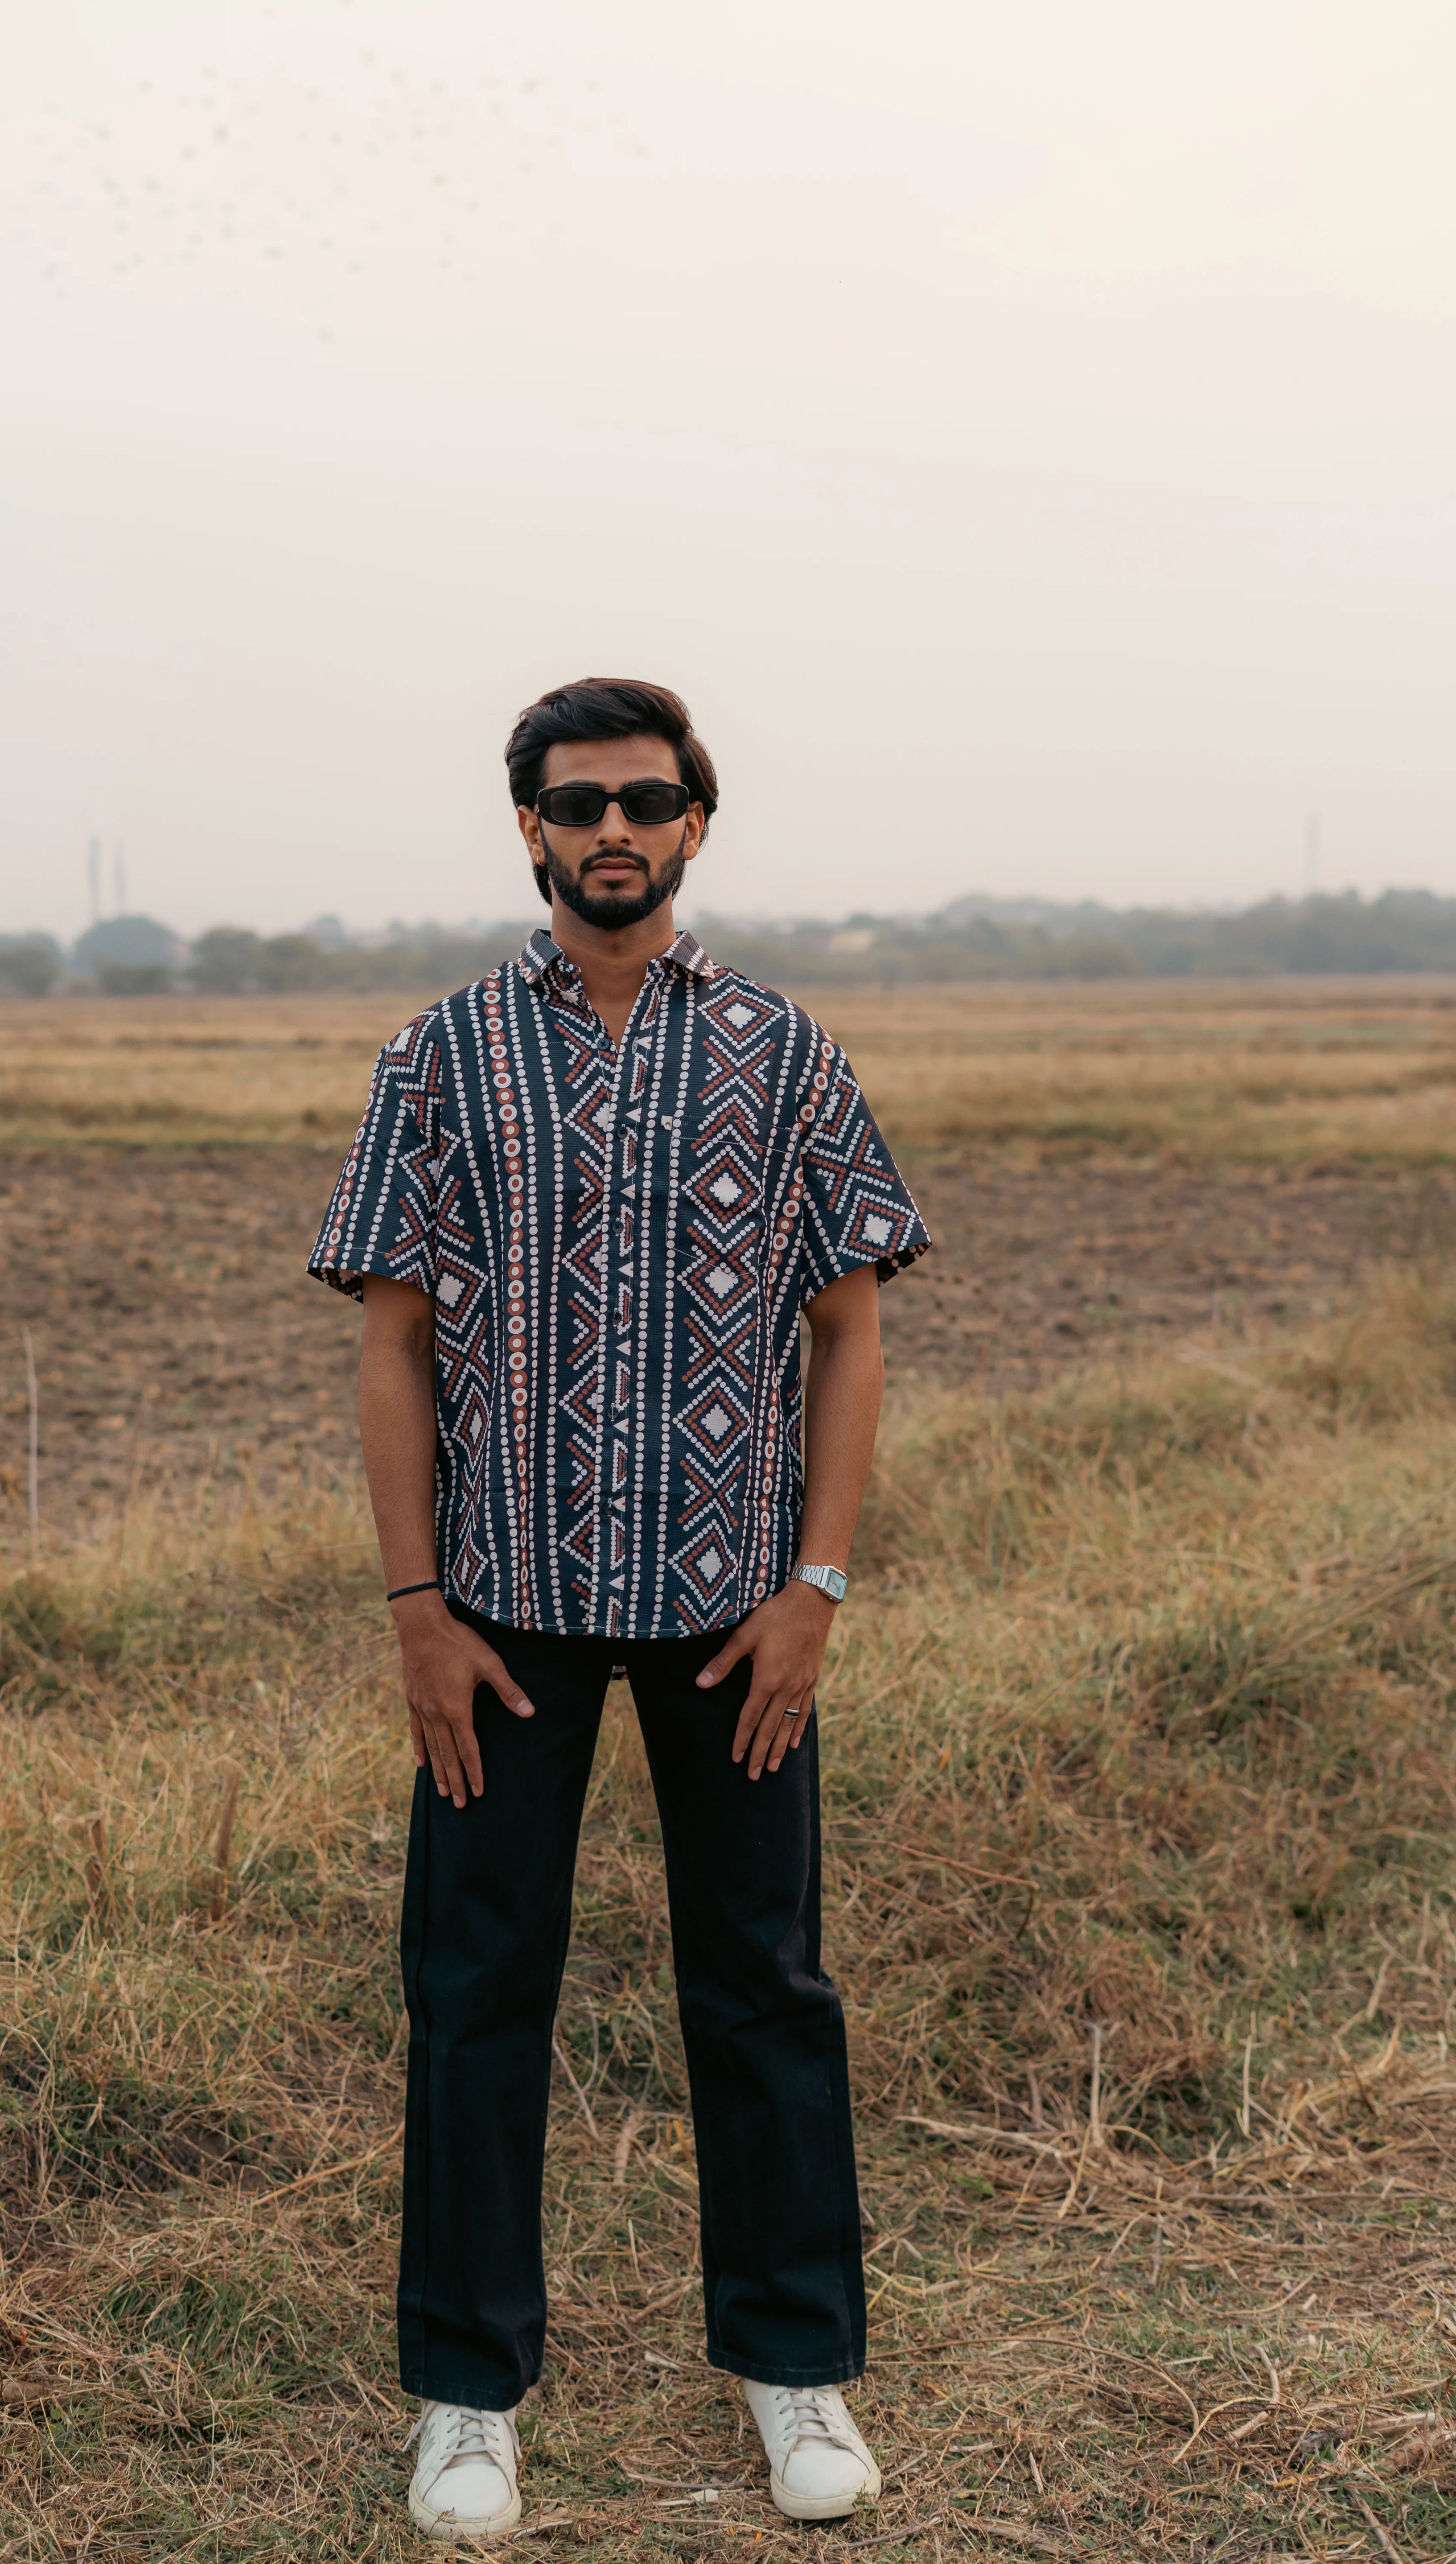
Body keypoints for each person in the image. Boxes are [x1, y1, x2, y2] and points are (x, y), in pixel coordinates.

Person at [308, 677, 931, 2542]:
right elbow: (396, 1348)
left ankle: (793, 2365)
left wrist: (818, 1585)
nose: (615, 828)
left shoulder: (782, 1049)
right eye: (580, 801)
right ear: (526, 825)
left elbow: (851, 1328)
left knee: (765, 1988)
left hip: (738, 1614)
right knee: (477, 1992)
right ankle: (467, 2396)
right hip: (501, 1617)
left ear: (695, 823)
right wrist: (416, 1602)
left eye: (649, 800)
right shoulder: (441, 1057)